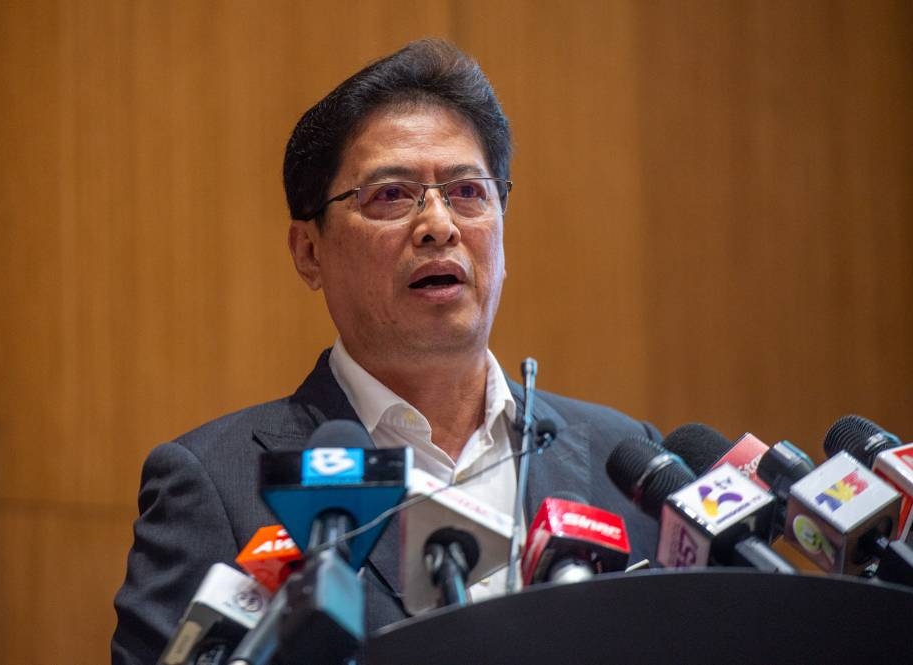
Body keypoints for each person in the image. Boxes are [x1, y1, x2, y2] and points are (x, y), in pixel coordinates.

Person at [111, 38, 661, 665]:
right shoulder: (215, 482)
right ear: (308, 252)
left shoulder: (625, 464)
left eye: (468, 192)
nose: (439, 225)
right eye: (391, 195)